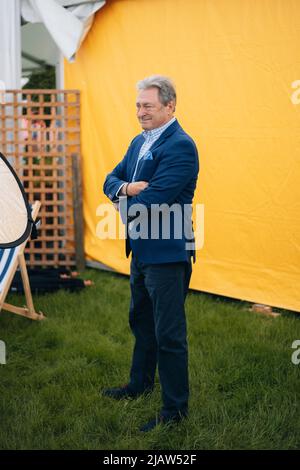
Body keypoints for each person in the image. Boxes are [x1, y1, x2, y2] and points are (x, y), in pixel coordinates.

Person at [103, 75, 199, 432]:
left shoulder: (181, 146)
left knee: (169, 333)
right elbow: (109, 179)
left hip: (167, 254)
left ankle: (175, 411)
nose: (140, 111)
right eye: (138, 105)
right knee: (141, 323)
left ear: (169, 106)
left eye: (148, 106)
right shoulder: (138, 142)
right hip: (141, 251)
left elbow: (155, 200)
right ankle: (139, 385)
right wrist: (126, 187)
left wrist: (121, 203)